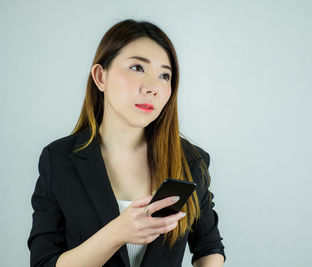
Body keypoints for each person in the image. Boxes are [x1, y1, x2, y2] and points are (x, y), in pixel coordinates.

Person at [27, 19, 226, 267]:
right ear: (101, 77)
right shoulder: (58, 159)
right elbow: (44, 263)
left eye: (165, 75)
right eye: (137, 68)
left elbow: (209, 247)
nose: (153, 87)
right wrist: (116, 233)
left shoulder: (191, 161)